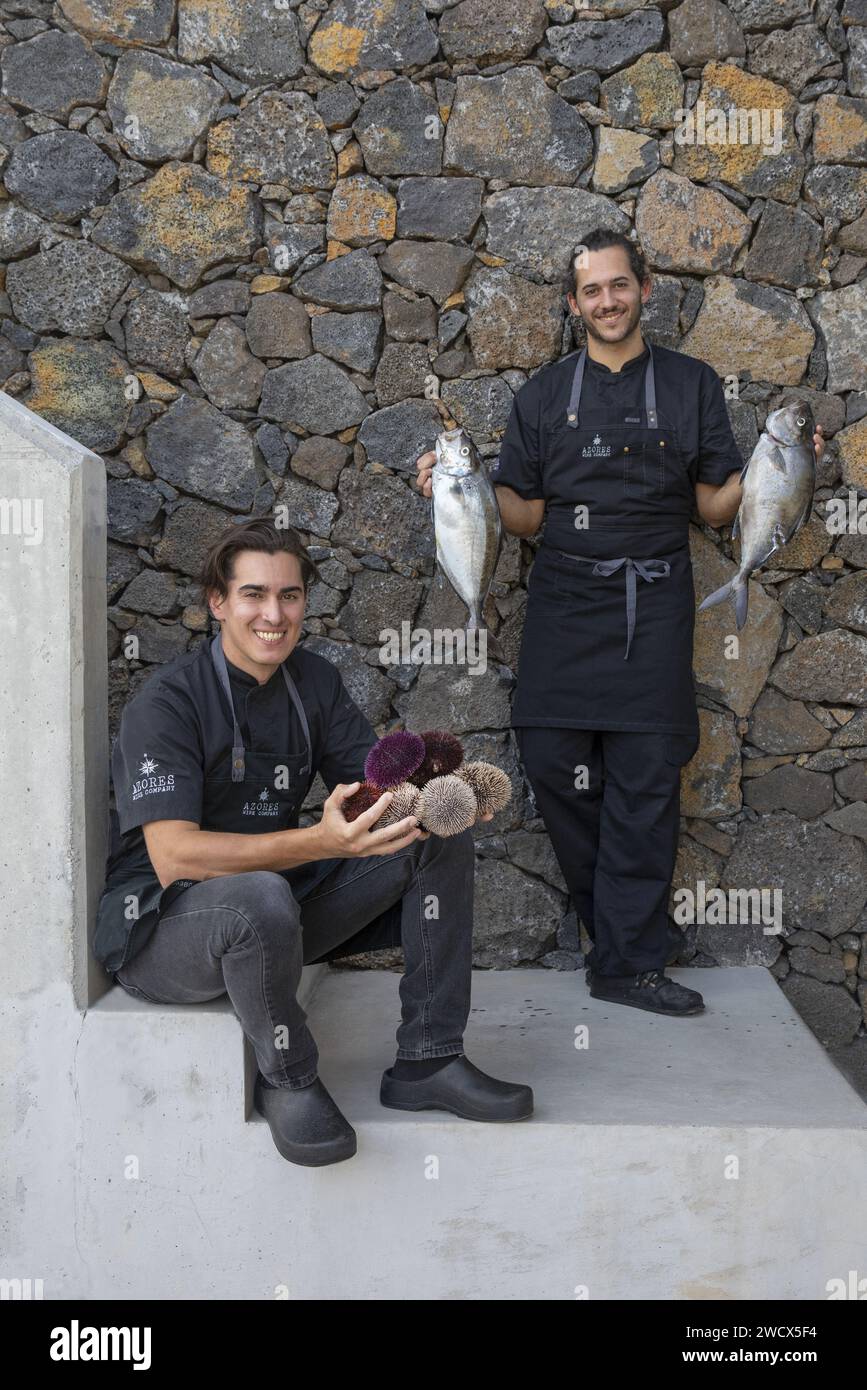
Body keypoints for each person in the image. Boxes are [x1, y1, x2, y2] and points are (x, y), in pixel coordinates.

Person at [416, 229, 825, 1019]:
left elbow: (710, 505)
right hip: (566, 607)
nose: (606, 300)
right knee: (550, 759)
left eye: (618, 285)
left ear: (644, 288)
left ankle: (628, 965)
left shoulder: (690, 385)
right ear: (574, 305)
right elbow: (526, 516)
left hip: (655, 608)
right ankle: (617, 938)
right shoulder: (540, 395)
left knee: (644, 785)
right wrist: (452, 486)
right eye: (591, 291)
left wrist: (781, 468)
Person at [93, 517, 533, 1168]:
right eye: (253, 594)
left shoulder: (313, 684)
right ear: (217, 602)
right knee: (259, 897)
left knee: (431, 839)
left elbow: (374, 788)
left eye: (290, 596)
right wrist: (318, 842)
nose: (274, 614)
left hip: (273, 911)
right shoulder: (167, 702)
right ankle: (287, 1079)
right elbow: (175, 856)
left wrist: (444, 795)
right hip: (162, 932)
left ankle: (428, 1060)